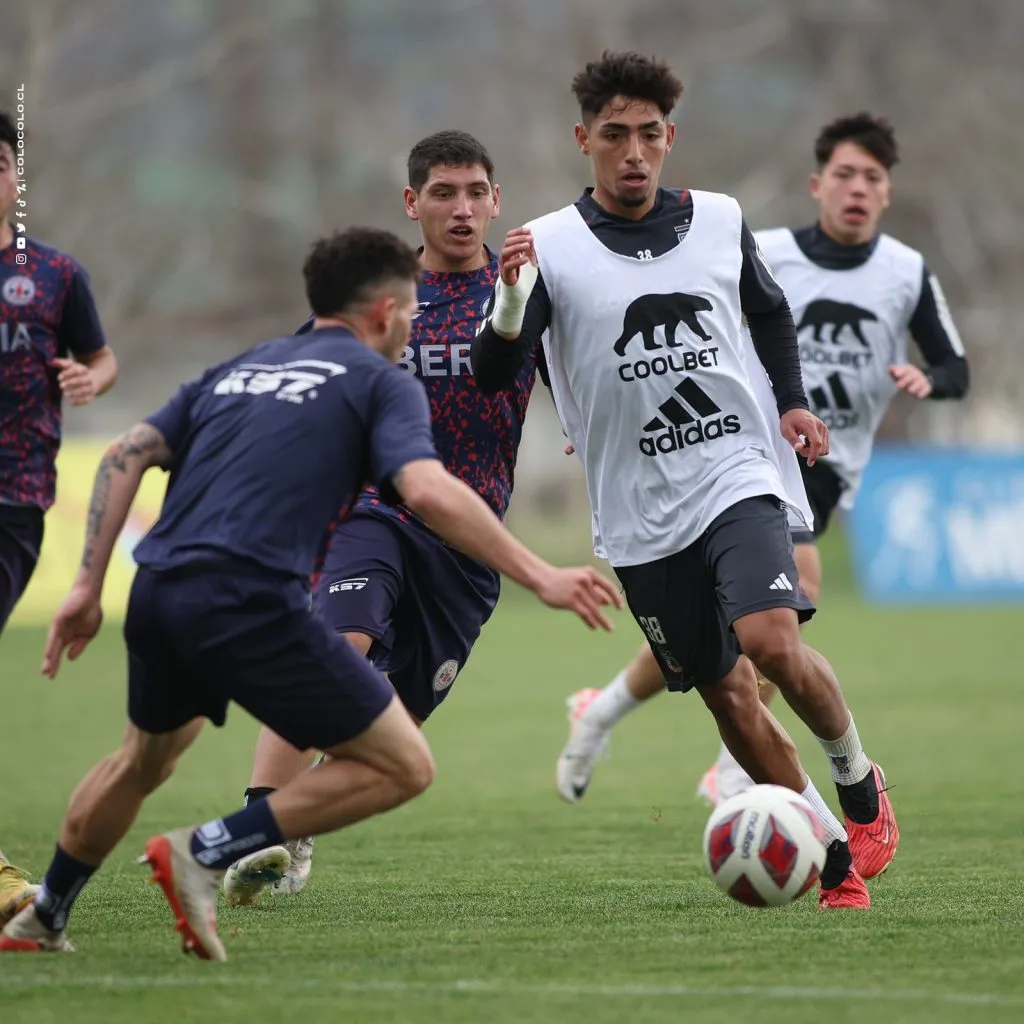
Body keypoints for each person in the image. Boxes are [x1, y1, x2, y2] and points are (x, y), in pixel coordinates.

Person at [0, 227, 620, 958]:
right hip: (251, 602)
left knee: (143, 759)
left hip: (161, 589)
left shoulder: (243, 366)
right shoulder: (379, 380)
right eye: (414, 309)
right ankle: (206, 848)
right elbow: (425, 490)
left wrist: (85, 586)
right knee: (404, 764)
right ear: (386, 312)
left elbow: (126, 453)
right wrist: (541, 574)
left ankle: (45, 914)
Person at [472, 51, 897, 909]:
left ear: (671, 138)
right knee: (731, 699)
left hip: (737, 468)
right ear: (583, 139)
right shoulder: (544, 248)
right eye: (616, 135)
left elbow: (769, 310)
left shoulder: (719, 219)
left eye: (650, 135)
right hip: (637, 510)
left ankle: (858, 785)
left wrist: (793, 404)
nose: (634, 152)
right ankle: (830, 862)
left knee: (773, 640)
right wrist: (511, 300)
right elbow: (494, 371)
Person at [558, 111, 966, 877]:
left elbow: (955, 368)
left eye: (873, 179)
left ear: (887, 194)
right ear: (818, 185)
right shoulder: (759, 245)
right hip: (739, 440)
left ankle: (733, 760)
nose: (857, 189)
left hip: (819, 461)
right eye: (844, 175)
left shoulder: (906, 271)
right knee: (748, 637)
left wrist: (928, 379)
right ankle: (703, 741)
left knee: (771, 629)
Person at [222, 130, 542, 905]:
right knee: (337, 644)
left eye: (475, 192)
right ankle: (256, 823)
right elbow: (303, 374)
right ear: (412, 203)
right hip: (372, 513)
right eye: (442, 192)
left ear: (497, 201)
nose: (461, 209)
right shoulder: (380, 296)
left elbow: (582, 366)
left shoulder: (532, 291)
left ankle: (295, 823)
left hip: (467, 547)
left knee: (383, 732)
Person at [0, 109, 119, 927]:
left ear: (16, 178)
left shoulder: (52, 274)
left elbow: (102, 356)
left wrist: (90, 379)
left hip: (15, 498)